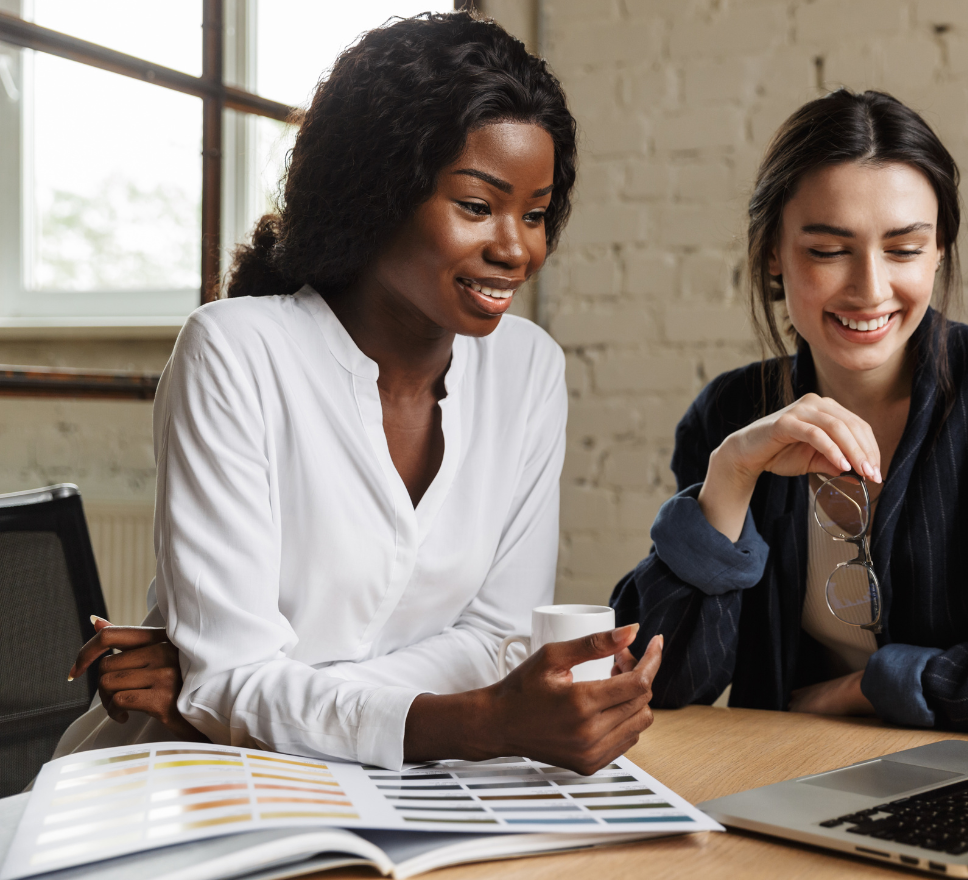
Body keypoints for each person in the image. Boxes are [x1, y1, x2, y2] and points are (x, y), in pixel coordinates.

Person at [60, 12, 660, 774]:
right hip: (188, 779)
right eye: (477, 205)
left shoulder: (529, 370)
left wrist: (247, 690)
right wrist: (478, 719)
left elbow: (498, 640)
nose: (516, 248)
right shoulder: (235, 354)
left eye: (536, 214)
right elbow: (244, 684)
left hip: (398, 786)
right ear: (378, 192)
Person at [610, 89, 968, 735]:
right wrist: (729, 480)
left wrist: (869, 687)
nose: (871, 288)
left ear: (940, 249)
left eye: (905, 249)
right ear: (773, 252)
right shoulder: (730, 413)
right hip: (787, 776)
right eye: (829, 251)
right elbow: (665, 682)